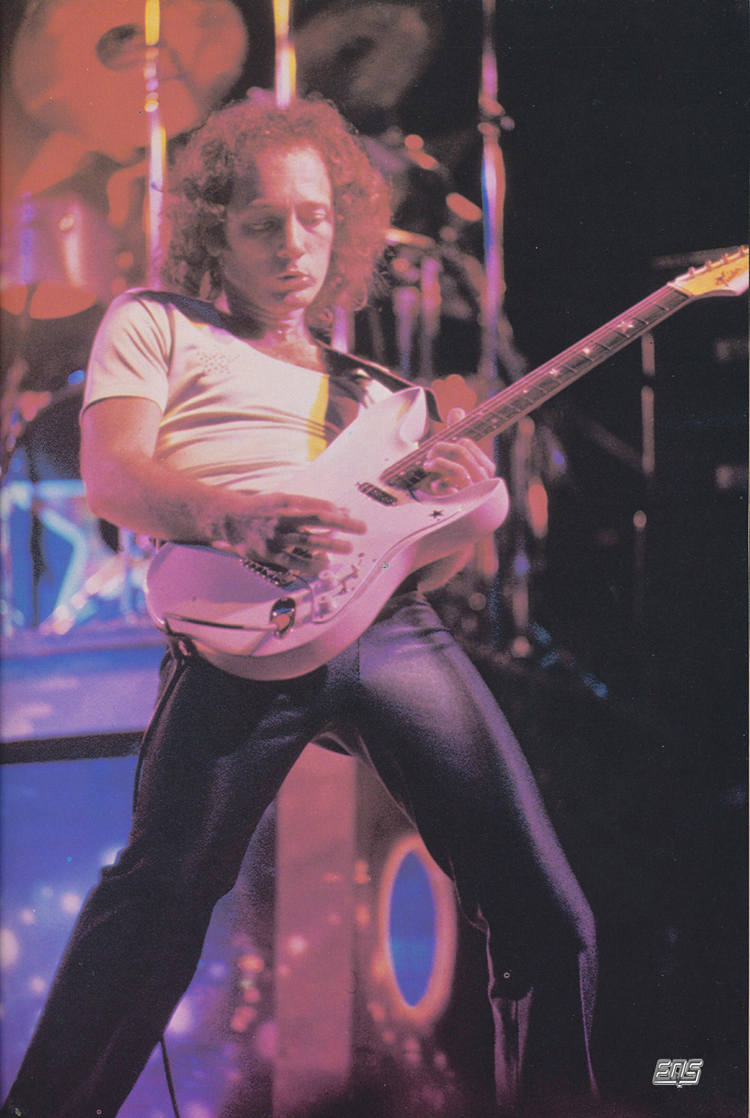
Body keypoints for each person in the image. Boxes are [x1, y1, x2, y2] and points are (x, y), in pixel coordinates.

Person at [3, 93, 597, 1118]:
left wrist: (461, 504)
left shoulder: (380, 394)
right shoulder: (153, 322)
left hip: (390, 631)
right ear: (214, 233)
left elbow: (427, 565)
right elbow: (114, 476)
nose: (293, 246)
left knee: (547, 915)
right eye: (262, 222)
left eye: (314, 218)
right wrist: (232, 518)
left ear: (345, 226)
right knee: (156, 901)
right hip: (237, 633)